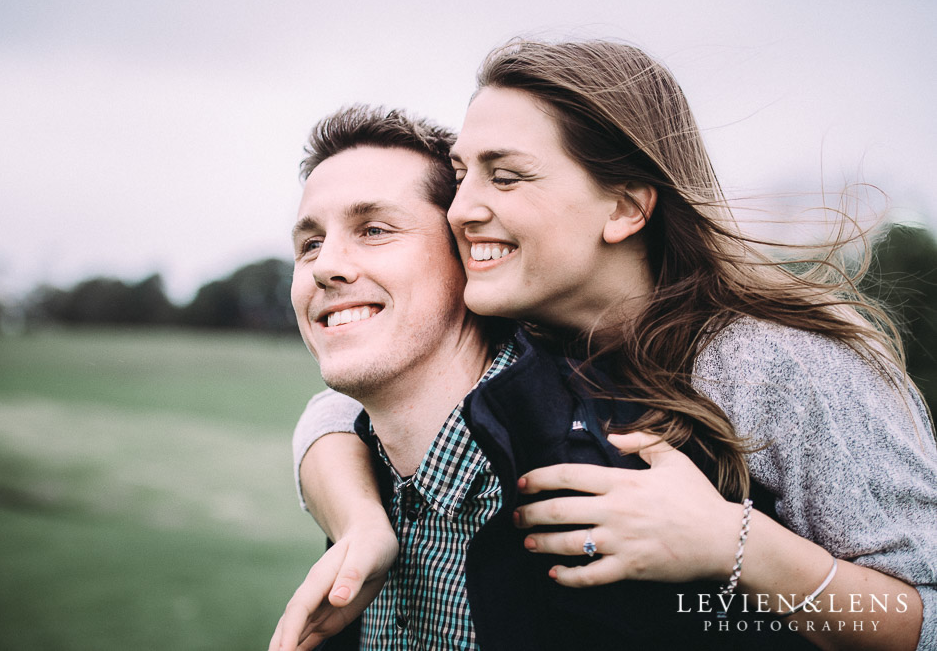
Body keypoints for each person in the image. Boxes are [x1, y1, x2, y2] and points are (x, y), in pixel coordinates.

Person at [277, 40, 937, 650]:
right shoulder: (535, 338)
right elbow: (341, 411)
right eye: (460, 174)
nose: (460, 207)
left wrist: (735, 544)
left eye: (504, 177)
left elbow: (925, 617)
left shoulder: (766, 364)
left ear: (624, 208)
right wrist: (361, 516)